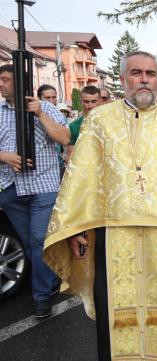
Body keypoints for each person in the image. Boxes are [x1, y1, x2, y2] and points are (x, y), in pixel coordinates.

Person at [43, 51, 157, 361]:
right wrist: (74, 228)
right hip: (111, 235)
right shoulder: (99, 120)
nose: (145, 79)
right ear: (123, 79)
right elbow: (80, 179)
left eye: (151, 73)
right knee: (114, 314)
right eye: (137, 73)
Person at [0, 64, 70, 318]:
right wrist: (5, 156)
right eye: (0, 79)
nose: (1, 83)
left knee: (40, 240)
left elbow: (64, 138)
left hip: (43, 187)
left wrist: (40, 113)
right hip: (11, 188)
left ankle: (41, 296)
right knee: (30, 243)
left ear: (20, 82)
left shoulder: (48, 108)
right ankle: (49, 280)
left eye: (7, 79)